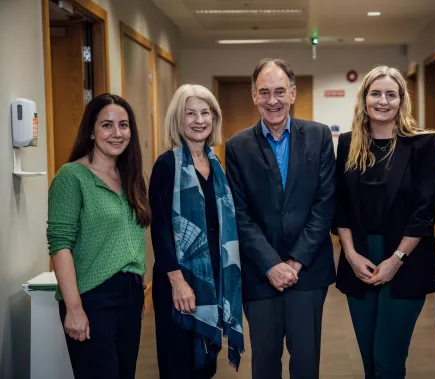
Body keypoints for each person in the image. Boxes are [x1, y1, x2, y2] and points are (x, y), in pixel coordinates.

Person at [225, 58, 336, 379]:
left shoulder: (318, 136)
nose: (272, 100)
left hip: (309, 273)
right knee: (264, 363)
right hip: (260, 275)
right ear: (253, 96)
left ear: (292, 93)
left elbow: (325, 203)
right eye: (264, 92)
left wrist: (296, 261)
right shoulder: (237, 146)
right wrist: (271, 264)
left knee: (305, 363)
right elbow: (238, 212)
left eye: (279, 91)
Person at [334, 65, 435, 379]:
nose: (383, 101)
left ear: (401, 100)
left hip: (405, 259)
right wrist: (350, 256)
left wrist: (396, 259)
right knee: (369, 359)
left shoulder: (422, 144)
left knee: (388, 359)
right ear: (364, 99)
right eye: (375, 93)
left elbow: (424, 210)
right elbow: (340, 206)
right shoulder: (348, 143)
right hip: (360, 260)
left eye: (391, 94)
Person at [46, 93, 150, 379]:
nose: (117, 133)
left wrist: (138, 285)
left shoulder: (131, 177)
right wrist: (74, 308)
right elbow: (60, 245)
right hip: (92, 298)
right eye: (107, 125)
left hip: (130, 297)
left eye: (124, 125)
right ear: (91, 131)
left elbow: (132, 236)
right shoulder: (71, 177)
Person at [149, 84, 244, 378]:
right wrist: (177, 282)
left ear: (213, 118)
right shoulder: (167, 165)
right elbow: (160, 229)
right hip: (178, 279)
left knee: (205, 368)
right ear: (178, 119)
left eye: (205, 113)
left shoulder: (216, 166)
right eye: (190, 113)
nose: (198, 120)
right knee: (179, 366)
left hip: (212, 277)